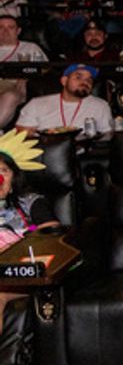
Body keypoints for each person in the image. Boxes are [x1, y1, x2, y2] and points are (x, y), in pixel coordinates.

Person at [0, 131, 58, 339]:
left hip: (22, 275)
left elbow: (52, 233)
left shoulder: (30, 202)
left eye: (4, 171)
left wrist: (27, 238)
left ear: (14, 176)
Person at [15, 64, 113, 136]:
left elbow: (108, 136)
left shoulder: (100, 106)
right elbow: (22, 134)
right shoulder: (36, 104)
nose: (85, 82)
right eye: (78, 77)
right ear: (64, 81)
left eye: (89, 79)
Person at [0, 17, 48, 129]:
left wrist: (27, 77)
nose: (5, 31)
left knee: (10, 96)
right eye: (1, 27)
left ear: (18, 31)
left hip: (14, 85)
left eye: (10, 27)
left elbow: (46, 69)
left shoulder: (30, 47)